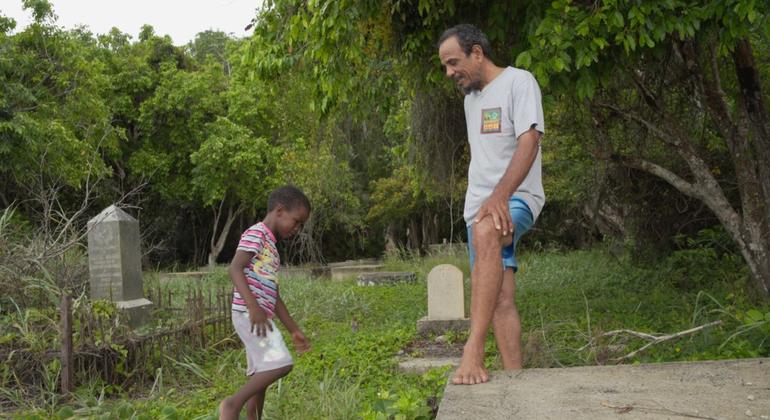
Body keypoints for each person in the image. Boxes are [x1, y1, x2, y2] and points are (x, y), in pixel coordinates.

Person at [437, 24, 545, 385]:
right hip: (478, 209)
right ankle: (515, 383)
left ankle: (473, 350)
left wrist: (500, 196)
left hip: (516, 199)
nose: (449, 72)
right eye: (445, 67)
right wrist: (484, 202)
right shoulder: (471, 100)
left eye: (453, 62)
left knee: (487, 233)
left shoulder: (519, 82)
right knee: (499, 298)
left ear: (477, 52)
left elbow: (530, 140)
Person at [219, 185, 312, 420]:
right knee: (281, 364)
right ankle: (232, 405)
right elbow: (235, 268)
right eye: (296, 221)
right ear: (280, 210)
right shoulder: (256, 234)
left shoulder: (272, 248)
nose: (297, 228)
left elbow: (274, 295)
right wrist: (253, 307)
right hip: (249, 314)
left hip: (259, 315)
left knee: (260, 378)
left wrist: (294, 330)